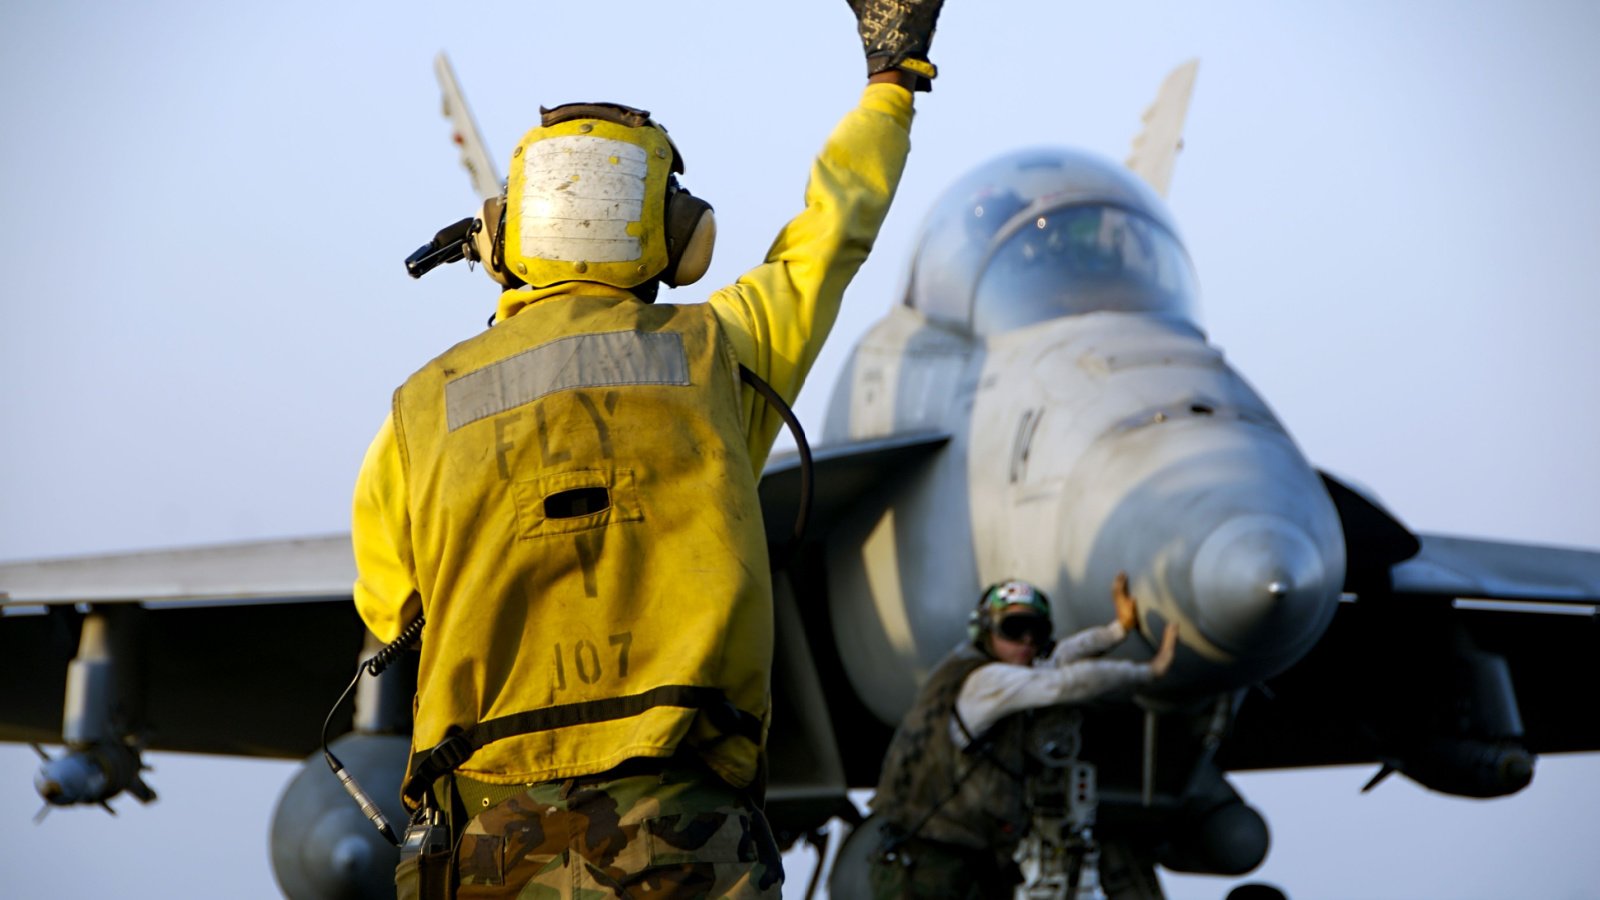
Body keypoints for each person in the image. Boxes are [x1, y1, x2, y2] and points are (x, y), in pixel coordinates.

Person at [350, 3, 948, 897]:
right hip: (682, 834)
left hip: (484, 839)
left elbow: (392, 604)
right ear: (677, 235)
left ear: (503, 235)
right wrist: (890, 84)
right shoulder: (721, 355)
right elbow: (832, 233)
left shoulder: (421, 411)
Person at [868, 575, 1178, 899]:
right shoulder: (986, 682)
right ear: (987, 630)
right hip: (934, 871)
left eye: (1036, 632)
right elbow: (1062, 683)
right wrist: (1148, 672)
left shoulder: (977, 671)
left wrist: (1117, 631)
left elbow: (1058, 658)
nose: (1027, 641)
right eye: (1014, 629)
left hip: (958, 862)